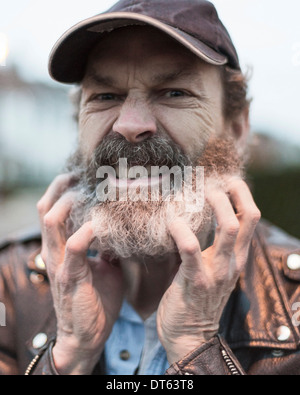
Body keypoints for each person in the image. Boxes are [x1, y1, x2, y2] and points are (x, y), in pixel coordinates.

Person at [1, 0, 300, 376]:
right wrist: (69, 356)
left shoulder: (294, 301)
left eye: (174, 92)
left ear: (237, 128)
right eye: (105, 97)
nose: (129, 124)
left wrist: (195, 346)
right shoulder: (9, 283)